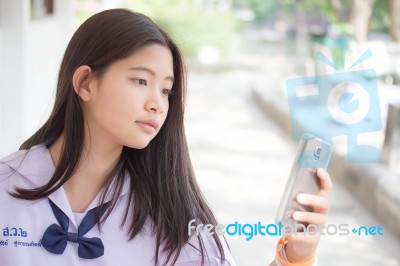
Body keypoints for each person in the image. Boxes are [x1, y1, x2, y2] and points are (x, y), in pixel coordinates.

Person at [0, 9, 332, 266]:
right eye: (140, 81)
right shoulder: (6, 188)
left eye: (166, 90)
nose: (158, 104)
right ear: (86, 83)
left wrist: (297, 256)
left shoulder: (171, 213)